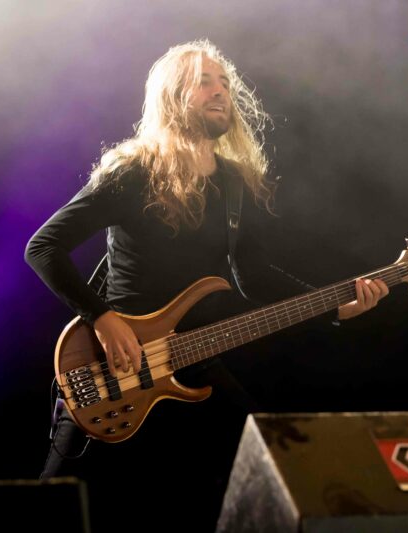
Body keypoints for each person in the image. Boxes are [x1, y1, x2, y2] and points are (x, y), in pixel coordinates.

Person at [25, 39, 389, 484]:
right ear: (172, 97)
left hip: (192, 356)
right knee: (56, 500)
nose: (220, 91)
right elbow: (43, 247)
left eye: (224, 83)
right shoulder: (133, 172)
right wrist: (102, 319)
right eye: (203, 82)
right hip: (116, 365)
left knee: (267, 472)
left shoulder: (233, 182)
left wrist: (334, 305)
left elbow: (254, 276)